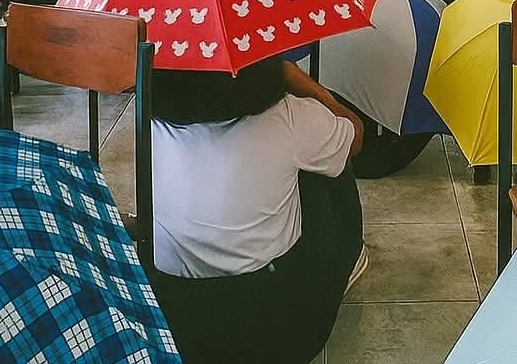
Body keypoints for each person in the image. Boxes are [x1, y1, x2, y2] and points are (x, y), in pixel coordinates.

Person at [148, 56, 367, 364]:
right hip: (273, 336)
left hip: (178, 327)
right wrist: (302, 83)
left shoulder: (152, 121)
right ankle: (348, 257)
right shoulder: (289, 117)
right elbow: (355, 136)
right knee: (329, 163)